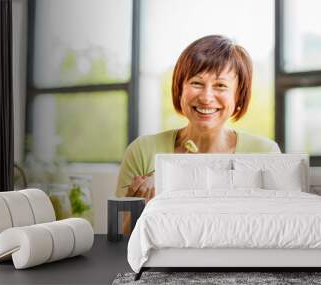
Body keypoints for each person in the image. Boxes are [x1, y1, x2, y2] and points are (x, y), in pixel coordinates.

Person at [116, 34, 280, 201]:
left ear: (238, 96)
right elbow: (121, 227)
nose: (206, 97)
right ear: (179, 89)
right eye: (196, 83)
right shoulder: (143, 151)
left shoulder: (265, 154)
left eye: (221, 86)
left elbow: (278, 223)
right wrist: (138, 204)